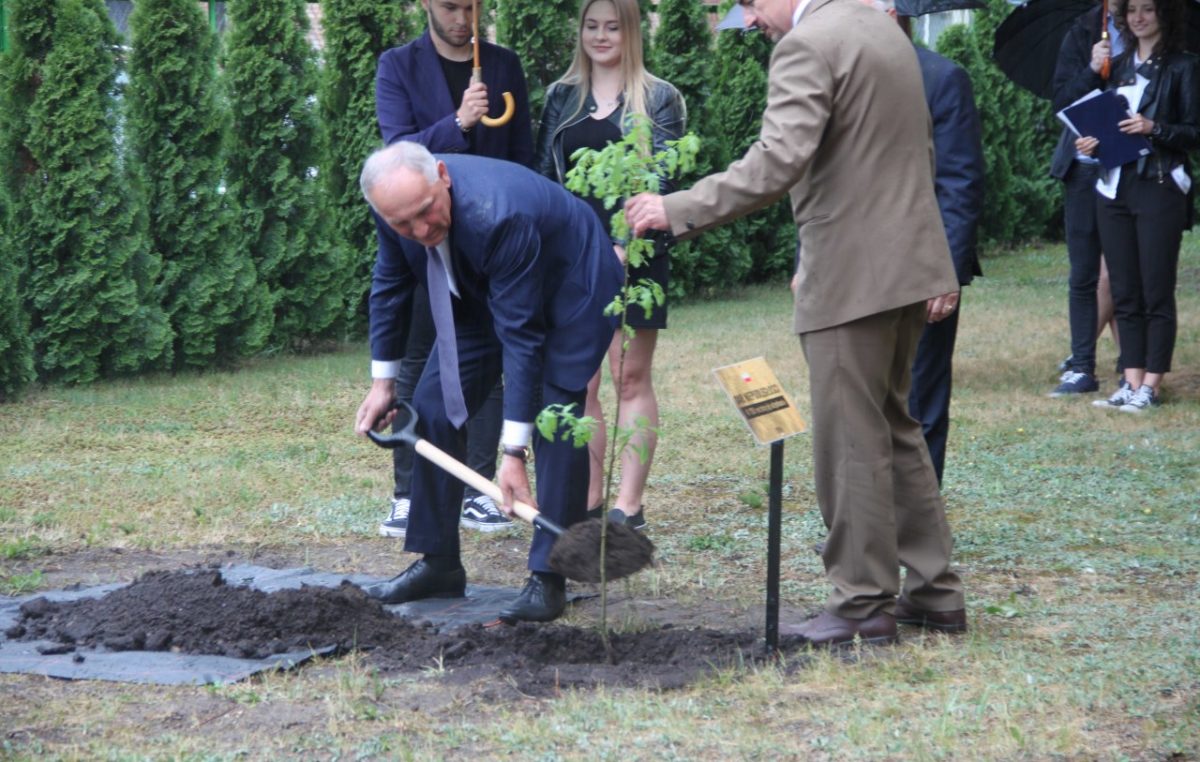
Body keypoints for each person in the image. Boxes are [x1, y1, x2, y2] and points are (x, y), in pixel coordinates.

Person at [626, 0, 967, 647]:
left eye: (750, 3)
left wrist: (675, 207)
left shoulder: (808, 46)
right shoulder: (882, 28)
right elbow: (901, 156)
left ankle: (862, 601)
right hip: (907, 266)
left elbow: (775, 164)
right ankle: (936, 592)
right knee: (896, 428)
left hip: (853, 277)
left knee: (851, 439)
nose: (749, 19)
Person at [355, 143, 623, 623]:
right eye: (402, 225)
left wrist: (512, 454)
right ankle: (438, 562)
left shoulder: (499, 213)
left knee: (555, 415)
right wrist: (383, 384)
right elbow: (390, 285)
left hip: (571, 286)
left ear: (443, 176)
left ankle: (549, 576)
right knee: (435, 404)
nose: (419, 231)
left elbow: (521, 339)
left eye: (425, 212)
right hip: (481, 283)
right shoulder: (394, 208)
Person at [372, 0, 534, 538]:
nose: (463, 18)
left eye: (470, 6)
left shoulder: (503, 65)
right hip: (426, 237)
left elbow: (522, 156)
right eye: (449, 6)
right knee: (421, 359)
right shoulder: (398, 66)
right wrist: (458, 121)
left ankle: (479, 490)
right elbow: (398, 155)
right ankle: (407, 493)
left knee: (487, 358)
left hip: (488, 241)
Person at [533, 0, 686, 529]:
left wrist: (622, 244)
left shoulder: (659, 97)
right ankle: (591, 501)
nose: (600, 36)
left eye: (612, 26)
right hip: (572, 258)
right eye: (591, 26)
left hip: (636, 255)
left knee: (630, 377)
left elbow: (662, 180)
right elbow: (544, 180)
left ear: (631, 31)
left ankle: (629, 506)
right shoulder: (560, 97)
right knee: (584, 380)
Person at [1078, 0, 1199, 412]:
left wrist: (1154, 128)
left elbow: (1193, 132)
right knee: (1124, 288)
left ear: (1165, 14)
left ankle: (1152, 383)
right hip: (1113, 187)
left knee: (1155, 289)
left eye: (1148, 9)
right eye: (1132, 10)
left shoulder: (1184, 66)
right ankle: (1130, 381)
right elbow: (1093, 116)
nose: (1139, 17)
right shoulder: (1119, 65)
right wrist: (1090, 142)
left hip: (1159, 185)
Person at [1048, 3, 1126, 398]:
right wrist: (1092, 70)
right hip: (1082, 169)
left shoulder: (1149, 29)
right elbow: (1060, 99)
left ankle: (1134, 364)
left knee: (1127, 271)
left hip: (1128, 170)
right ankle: (1082, 368)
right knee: (1083, 274)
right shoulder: (1081, 31)